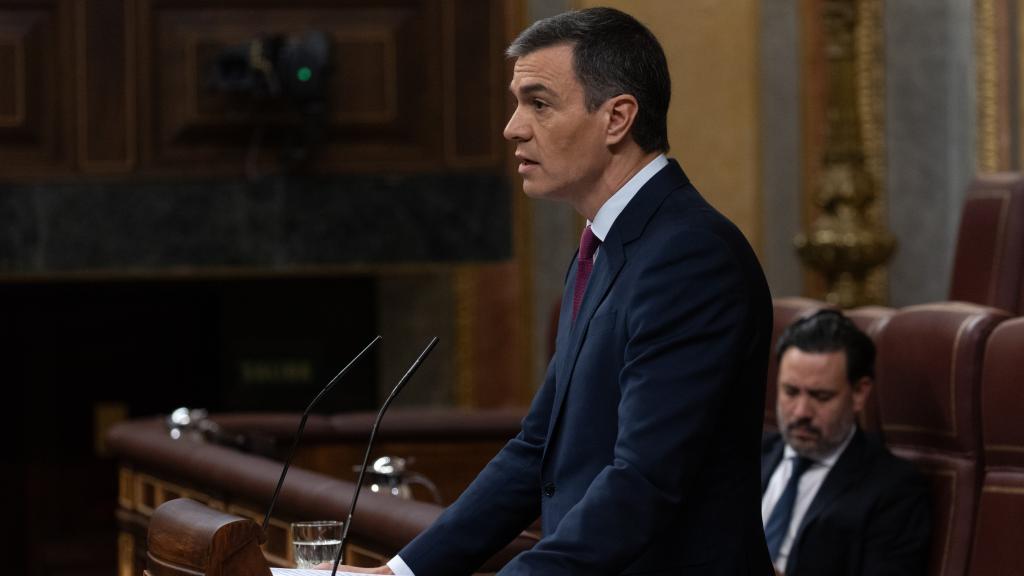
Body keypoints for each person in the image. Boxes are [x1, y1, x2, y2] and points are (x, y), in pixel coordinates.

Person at [333, 7, 774, 575]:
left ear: (617, 118)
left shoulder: (691, 257)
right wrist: (402, 573)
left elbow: (643, 483)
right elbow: (537, 449)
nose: (512, 128)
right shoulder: (604, 245)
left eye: (538, 104)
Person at [762, 310, 930, 576]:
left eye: (821, 396)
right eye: (790, 392)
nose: (801, 411)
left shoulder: (893, 490)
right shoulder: (741, 457)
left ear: (859, 393)